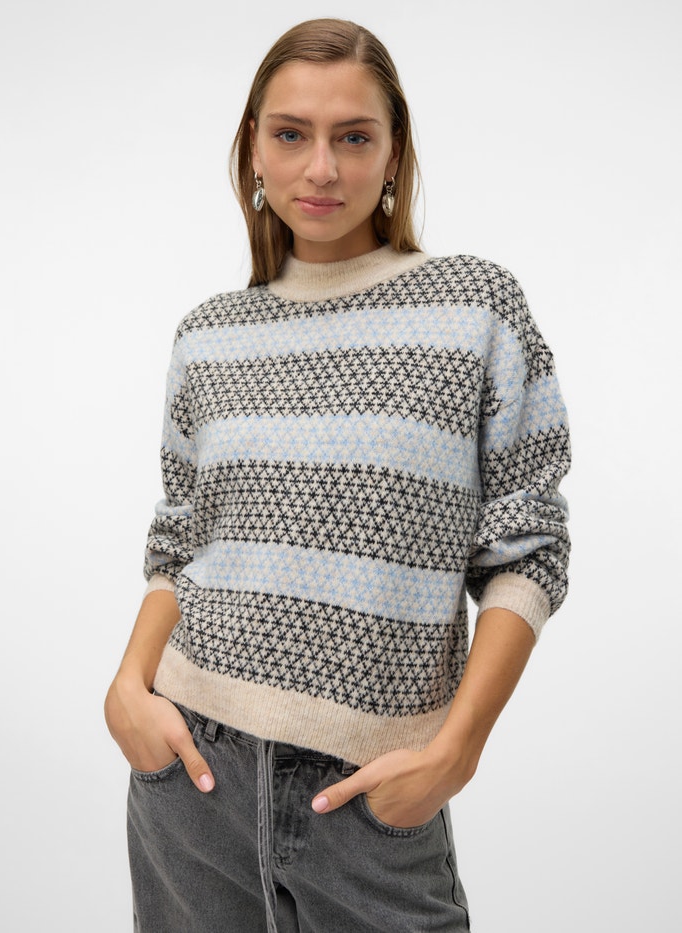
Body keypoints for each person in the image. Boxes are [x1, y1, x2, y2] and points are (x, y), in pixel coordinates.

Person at [105, 17, 571, 933]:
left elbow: (530, 550)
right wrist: (128, 686)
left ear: (394, 152)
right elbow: (179, 541)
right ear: (254, 149)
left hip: (371, 800)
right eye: (292, 134)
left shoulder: (475, 308)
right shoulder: (208, 335)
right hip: (192, 780)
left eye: (353, 137)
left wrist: (457, 749)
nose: (321, 168)